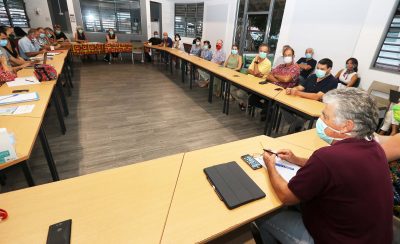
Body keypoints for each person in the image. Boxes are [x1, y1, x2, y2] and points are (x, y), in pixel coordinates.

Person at [256, 88, 393, 244]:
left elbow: (286, 196)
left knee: (264, 218)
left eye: (325, 116)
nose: (319, 118)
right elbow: (335, 170)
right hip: (372, 236)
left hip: (335, 239)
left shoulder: (327, 157)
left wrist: (270, 165)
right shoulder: (375, 148)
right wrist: (296, 159)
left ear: (346, 126)